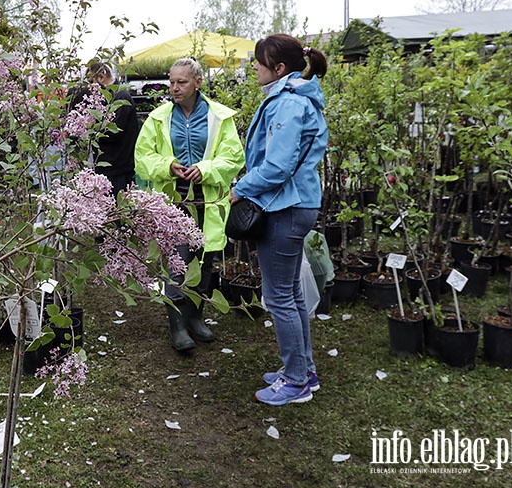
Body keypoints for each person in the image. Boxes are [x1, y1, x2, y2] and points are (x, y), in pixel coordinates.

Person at [230, 34, 329, 405]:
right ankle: (304, 370)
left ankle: (296, 381)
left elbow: (278, 165)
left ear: (279, 68)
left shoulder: (288, 105)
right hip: (293, 204)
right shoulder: (294, 99)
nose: (254, 67)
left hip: (284, 207)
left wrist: (243, 186)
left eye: (258, 61)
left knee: (279, 298)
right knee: (292, 294)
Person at [135, 57, 244, 352]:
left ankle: (196, 317)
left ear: (198, 83)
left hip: (207, 204)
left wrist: (205, 169)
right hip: (174, 205)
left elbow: (233, 157)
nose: (174, 88)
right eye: (171, 82)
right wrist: (168, 165)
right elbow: (143, 157)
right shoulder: (158, 118)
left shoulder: (219, 118)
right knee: (177, 264)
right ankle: (178, 325)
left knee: (204, 262)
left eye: (181, 82)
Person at [70, 62, 140, 199]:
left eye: (92, 82)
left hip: (118, 168)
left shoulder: (120, 97)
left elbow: (113, 132)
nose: (91, 88)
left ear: (101, 77)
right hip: (108, 168)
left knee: (116, 211)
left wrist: (88, 127)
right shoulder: (110, 96)